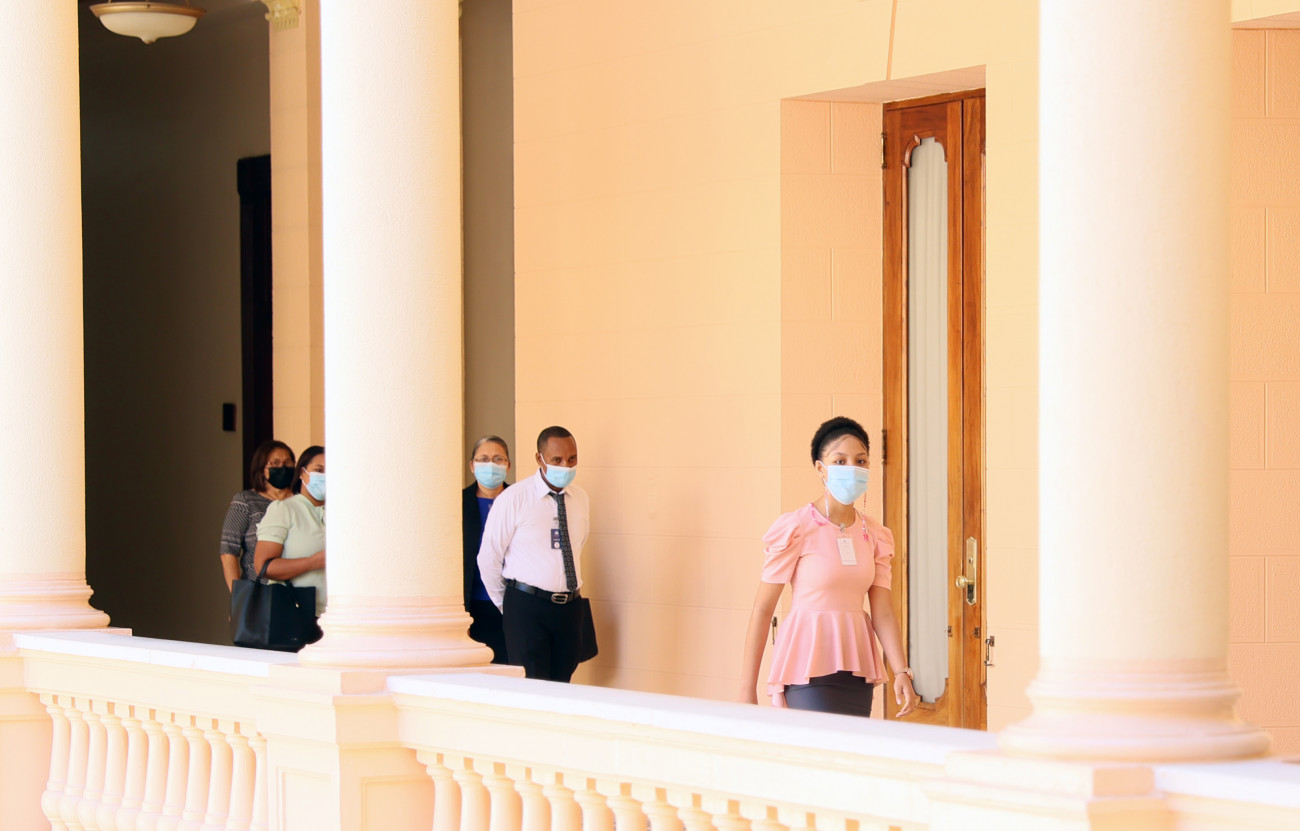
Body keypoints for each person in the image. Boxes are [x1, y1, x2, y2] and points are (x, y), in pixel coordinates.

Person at [739, 417, 918, 717]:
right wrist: (747, 691)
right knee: (817, 743)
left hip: (856, 669)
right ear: (821, 468)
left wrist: (901, 670)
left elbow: (883, 610)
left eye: (860, 460)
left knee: (850, 745)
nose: (852, 468)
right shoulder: (796, 527)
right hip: (806, 665)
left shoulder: (876, 534)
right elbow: (762, 610)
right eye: (840, 460)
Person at [478, 425, 589, 681]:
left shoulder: (581, 498)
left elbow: (577, 545)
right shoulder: (515, 498)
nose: (566, 466)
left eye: (572, 459)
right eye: (557, 460)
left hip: (570, 608)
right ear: (540, 459)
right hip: (527, 606)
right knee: (533, 685)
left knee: (563, 685)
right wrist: (508, 605)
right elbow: (489, 558)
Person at [253, 445, 327, 618]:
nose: (325, 476)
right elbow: (263, 566)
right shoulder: (284, 509)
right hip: (295, 613)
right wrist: (312, 562)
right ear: (302, 473)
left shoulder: (344, 514)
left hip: (338, 614)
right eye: (319, 470)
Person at [219, 440, 296, 591]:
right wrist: (238, 597)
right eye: (275, 463)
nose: (283, 468)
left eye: (288, 463)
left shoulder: (300, 502)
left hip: (297, 589)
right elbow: (229, 550)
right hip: (258, 590)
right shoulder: (246, 500)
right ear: (262, 469)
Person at [463, 435, 511, 663]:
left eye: (498, 458)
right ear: (472, 466)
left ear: (508, 465)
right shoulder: (459, 503)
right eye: (483, 459)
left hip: (511, 605)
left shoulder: (518, 500)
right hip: (472, 605)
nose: (491, 464)